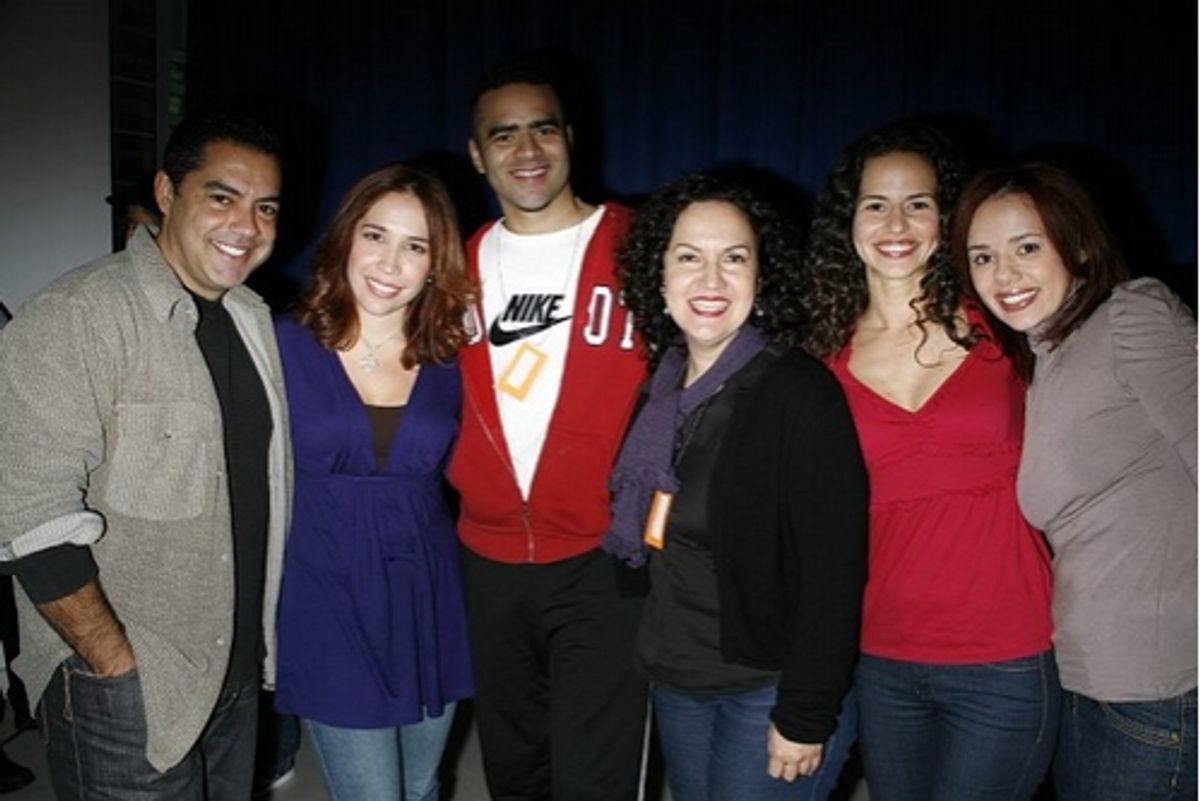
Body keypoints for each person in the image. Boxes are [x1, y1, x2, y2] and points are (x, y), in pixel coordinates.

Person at [0, 112, 291, 800]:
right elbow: (22, 508)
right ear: (166, 192)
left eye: (266, 206)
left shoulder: (254, 320)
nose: (246, 225)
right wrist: (115, 664)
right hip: (124, 682)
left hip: (236, 670)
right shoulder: (77, 315)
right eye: (222, 197)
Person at [799, 122, 1059, 801]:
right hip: (881, 656)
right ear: (848, 220)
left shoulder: (1007, 321)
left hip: (1007, 652)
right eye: (875, 203)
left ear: (947, 218)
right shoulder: (818, 355)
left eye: (918, 202)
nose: (896, 222)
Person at [607, 173, 867, 800]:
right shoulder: (661, 386)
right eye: (689, 258)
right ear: (659, 274)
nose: (711, 281)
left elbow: (833, 571)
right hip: (679, 678)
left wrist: (804, 714)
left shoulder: (797, 394)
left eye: (735, 259)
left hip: (767, 687)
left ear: (762, 275)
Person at [953, 162, 1197, 801]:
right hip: (1093, 679)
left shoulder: (1130, 315)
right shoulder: (1049, 357)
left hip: (1161, 688)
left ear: (1081, 243)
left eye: (1027, 247)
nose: (1004, 275)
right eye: (983, 257)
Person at [449, 58, 648, 800]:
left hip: (604, 554)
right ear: (477, 154)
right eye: (503, 135)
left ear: (570, 136)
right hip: (487, 556)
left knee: (598, 769)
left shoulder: (642, 245)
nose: (526, 150)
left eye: (542, 128)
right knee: (513, 761)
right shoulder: (452, 265)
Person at [272, 163, 475, 801]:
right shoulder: (281, 342)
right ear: (346, 238)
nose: (390, 262)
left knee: (421, 786)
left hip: (428, 596)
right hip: (323, 595)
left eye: (415, 246)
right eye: (376, 236)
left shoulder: (455, 357)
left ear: (435, 262)